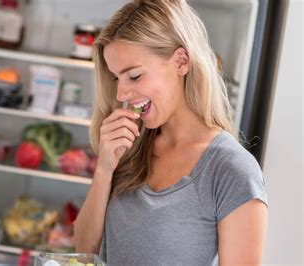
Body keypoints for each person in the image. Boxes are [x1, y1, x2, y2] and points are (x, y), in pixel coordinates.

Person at [73, 0, 268, 265]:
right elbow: (85, 250)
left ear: (180, 62)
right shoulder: (131, 145)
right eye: (117, 78)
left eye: (135, 76)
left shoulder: (232, 170)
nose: (121, 94)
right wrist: (104, 168)